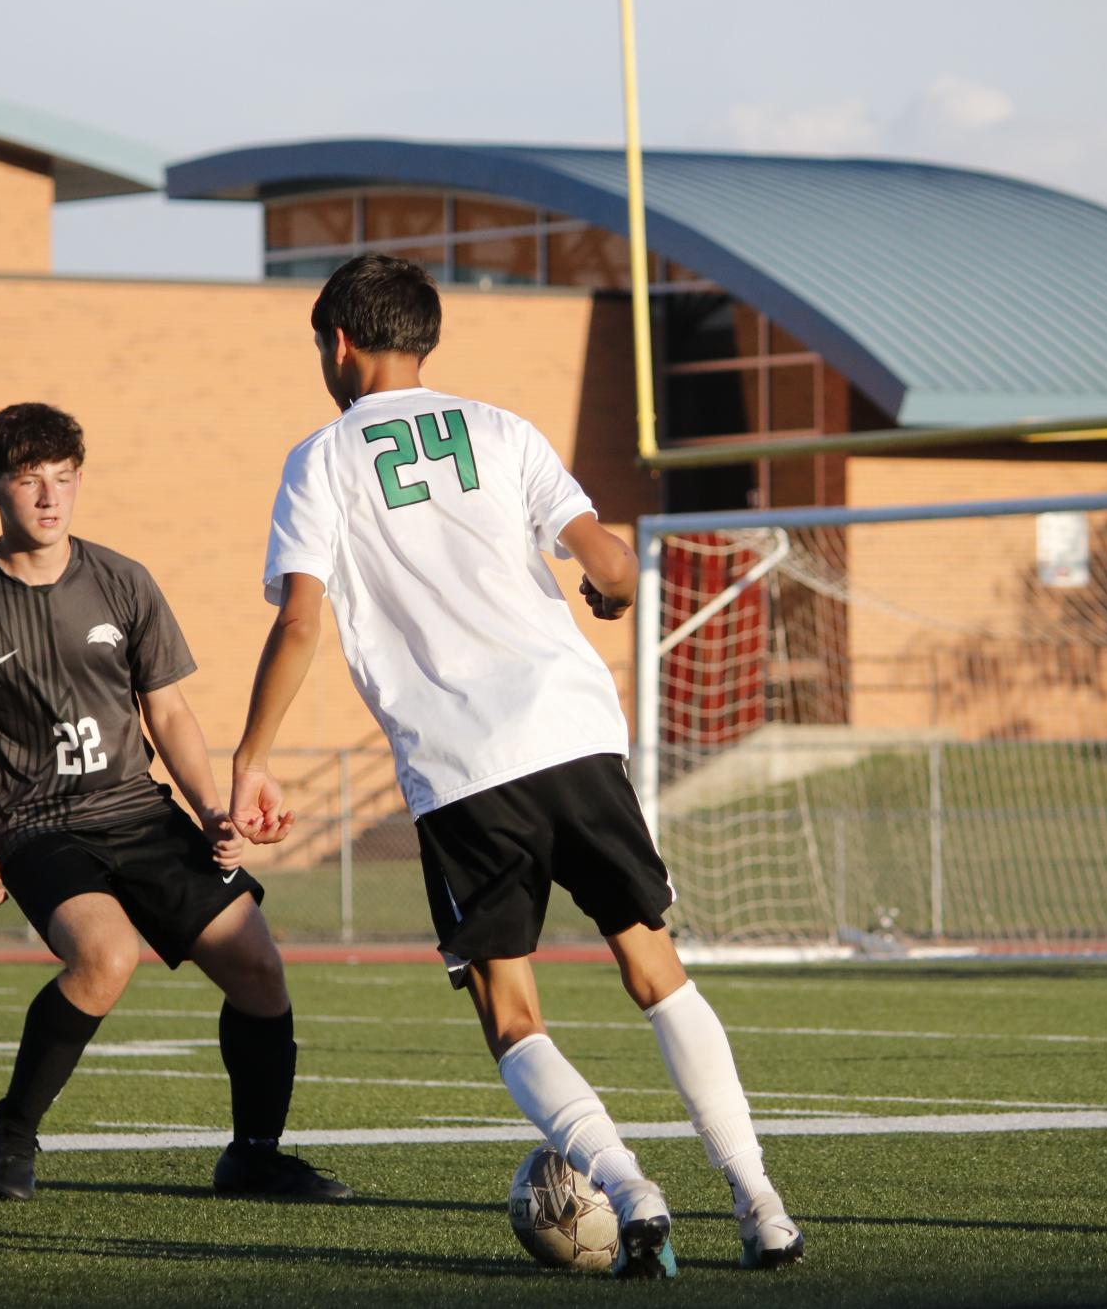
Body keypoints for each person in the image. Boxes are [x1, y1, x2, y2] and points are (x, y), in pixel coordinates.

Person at [228, 253, 803, 1278]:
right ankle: (759, 1199)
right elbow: (613, 561)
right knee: (653, 964)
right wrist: (615, 591)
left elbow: (303, 619)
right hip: (575, 730)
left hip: (463, 763)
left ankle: (629, 1190)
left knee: (509, 1008)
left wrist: (252, 757)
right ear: (428, 337)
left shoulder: (320, 459)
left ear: (340, 343)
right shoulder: (503, 429)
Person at [0, 402, 350, 1203]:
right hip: (37, 826)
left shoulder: (122, 579)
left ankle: (253, 1155)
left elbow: (169, 711)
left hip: (139, 811)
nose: (49, 498)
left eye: (64, 480)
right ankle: (10, 1126)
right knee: (106, 957)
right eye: (29, 481)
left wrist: (214, 808)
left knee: (256, 964)